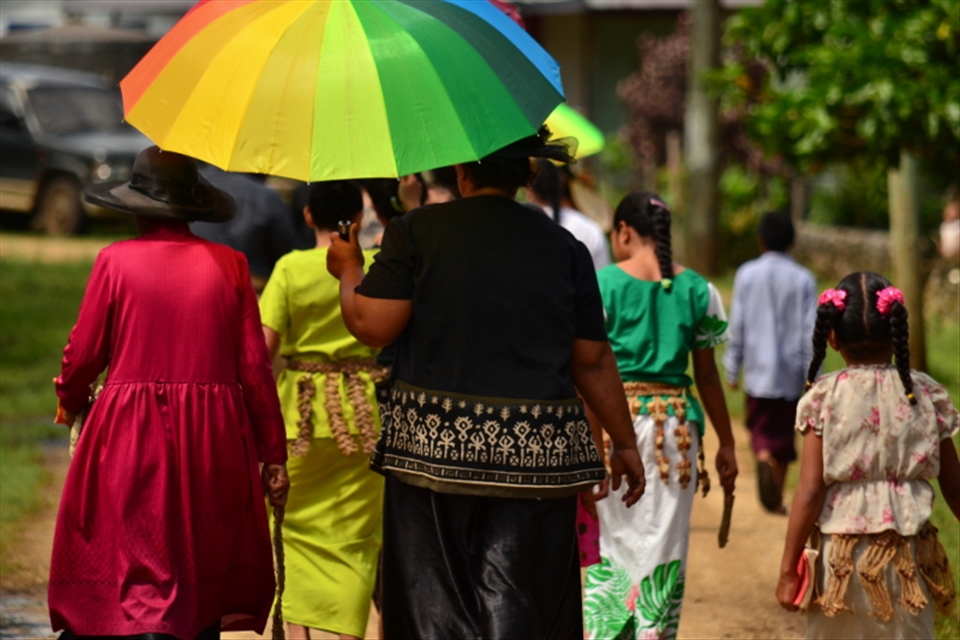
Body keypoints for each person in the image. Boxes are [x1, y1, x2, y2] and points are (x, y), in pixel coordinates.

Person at [327, 127, 646, 639]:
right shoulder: (565, 247)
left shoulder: (418, 231)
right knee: (523, 602)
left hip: (433, 456)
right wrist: (624, 443)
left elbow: (372, 325)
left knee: (434, 603)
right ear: (529, 172)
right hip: (539, 459)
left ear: (461, 171)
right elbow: (590, 360)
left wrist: (347, 271)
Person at [50, 146, 289, 639]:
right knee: (195, 558)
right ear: (194, 206)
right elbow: (254, 369)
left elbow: (83, 354)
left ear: (137, 206)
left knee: (132, 552)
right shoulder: (230, 265)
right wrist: (273, 454)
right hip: (214, 438)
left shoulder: (114, 261)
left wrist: (70, 399)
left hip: (128, 432)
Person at [583, 192, 738, 640]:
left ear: (624, 232)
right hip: (676, 434)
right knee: (665, 541)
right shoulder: (699, 290)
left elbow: (589, 372)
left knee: (612, 541)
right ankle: (653, 632)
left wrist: (594, 447)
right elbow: (707, 378)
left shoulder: (603, 285)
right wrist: (727, 443)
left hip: (617, 426)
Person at [775, 271, 959, 638]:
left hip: (840, 560)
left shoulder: (825, 398)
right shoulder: (924, 394)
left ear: (831, 336)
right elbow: (955, 486)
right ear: (895, 333)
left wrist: (787, 569)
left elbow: (810, 491)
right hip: (909, 556)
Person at [259, 181, 385, 640]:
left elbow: (262, 349)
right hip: (366, 419)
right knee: (355, 539)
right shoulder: (375, 266)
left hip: (300, 419)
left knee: (293, 535)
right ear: (357, 214)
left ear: (308, 216)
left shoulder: (290, 269)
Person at [723, 211, 816, 513]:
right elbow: (809, 331)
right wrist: (813, 375)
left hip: (758, 373)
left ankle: (762, 459)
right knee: (785, 435)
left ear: (761, 240)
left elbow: (737, 324)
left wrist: (732, 366)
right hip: (790, 376)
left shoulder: (746, 274)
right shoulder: (804, 278)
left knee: (761, 429)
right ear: (792, 241)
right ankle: (775, 491)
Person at [191, 164, 302, 292]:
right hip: (252, 289)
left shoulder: (189, 189)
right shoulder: (266, 197)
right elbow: (285, 251)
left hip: (193, 283)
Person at [524, 158, 611, 270]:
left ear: (528, 188)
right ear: (561, 181)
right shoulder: (589, 228)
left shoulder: (520, 227)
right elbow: (601, 277)